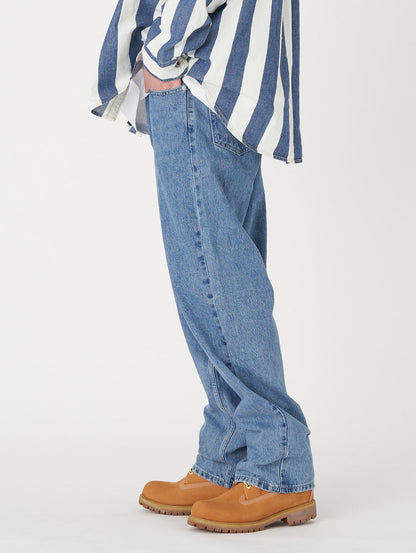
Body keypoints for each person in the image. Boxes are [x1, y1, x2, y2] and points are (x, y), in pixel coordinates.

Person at [90, 0, 316, 533]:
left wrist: (161, 55)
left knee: (215, 284)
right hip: (220, 85)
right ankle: (230, 453)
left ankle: (276, 463)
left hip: (197, 82)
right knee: (219, 279)